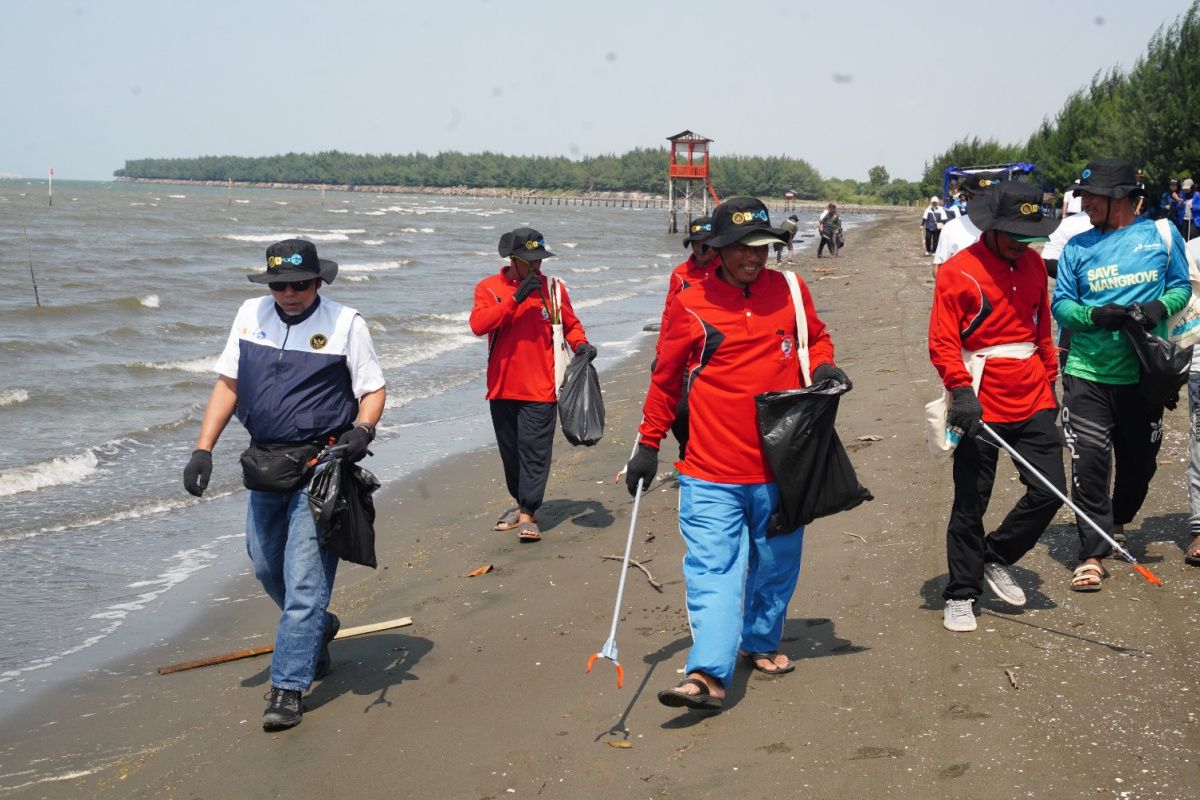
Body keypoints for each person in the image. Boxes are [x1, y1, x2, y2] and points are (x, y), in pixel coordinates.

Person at [624, 197, 849, 712]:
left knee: (775, 564)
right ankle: (706, 673)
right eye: (741, 247)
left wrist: (825, 369)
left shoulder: (791, 290)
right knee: (715, 570)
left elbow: (815, 339)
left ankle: (761, 640)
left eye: (761, 246)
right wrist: (648, 445)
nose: (753, 256)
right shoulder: (690, 302)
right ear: (718, 250)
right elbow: (664, 382)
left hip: (782, 466)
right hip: (710, 471)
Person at [182, 239, 386, 731]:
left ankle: (288, 687)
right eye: (280, 284)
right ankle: (318, 627)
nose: (290, 293)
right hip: (266, 467)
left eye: (300, 284)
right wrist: (202, 449)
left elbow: (373, 388)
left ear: (318, 282)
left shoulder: (346, 324)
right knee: (264, 565)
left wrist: (363, 430)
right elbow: (228, 384)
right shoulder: (250, 315)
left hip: (321, 469)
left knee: (304, 583)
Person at [928, 182, 1063, 632]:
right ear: (993, 227)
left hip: (1033, 391)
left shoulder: (1032, 267)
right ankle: (961, 592)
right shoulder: (958, 271)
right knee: (971, 500)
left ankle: (996, 554)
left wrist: (1051, 379)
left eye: (1029, 236)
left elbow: (1042, 328)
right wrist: (960, 391)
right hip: (979, 393)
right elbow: (943, 341)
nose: (1022, 244)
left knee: (1050, 491)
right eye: (1014, 234)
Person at [1051, 158, 1191, 591]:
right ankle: (1091, 554)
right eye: (1084, 195)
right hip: (1087, 370)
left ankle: (1118, 519)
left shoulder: (1162, 235)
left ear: (1124, 199)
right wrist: (1094, 314)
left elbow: (1181, 286)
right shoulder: (1076, 247)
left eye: (1093, 196)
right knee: (1089, 462)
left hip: (1144, 374)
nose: (1084, 202)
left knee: (1140, 465)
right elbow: (1061, 304)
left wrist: (1157, 309)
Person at [469, 227, 594, 543]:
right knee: (511, 454)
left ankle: (528, 514)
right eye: (530, 260)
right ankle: (521, 502)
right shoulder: (488, 288)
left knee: (534, 452)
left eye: (540, 259)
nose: (537, 266)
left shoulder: (553, 289)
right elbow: (479, 325)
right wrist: (515, 299)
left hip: (541, 388)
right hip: (501, 388)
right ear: (513, 259)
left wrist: (581, 345)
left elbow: (571, 325)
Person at [655, 216, 720, 460]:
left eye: (706, 242)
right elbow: (668, 316)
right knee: (680, 412)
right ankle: (686, 449)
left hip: (714, 354)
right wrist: (661, 354)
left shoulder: (726, 271)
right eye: (695, 242)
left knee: (711, 411)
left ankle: (704, 456)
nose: (700, 248)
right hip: (684, 354)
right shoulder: (680, 274)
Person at [932, 175, 997, 277]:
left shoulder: (1004, 228)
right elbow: (938, 269)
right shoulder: (951, 228)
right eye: (981, 197)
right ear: (969, 196)